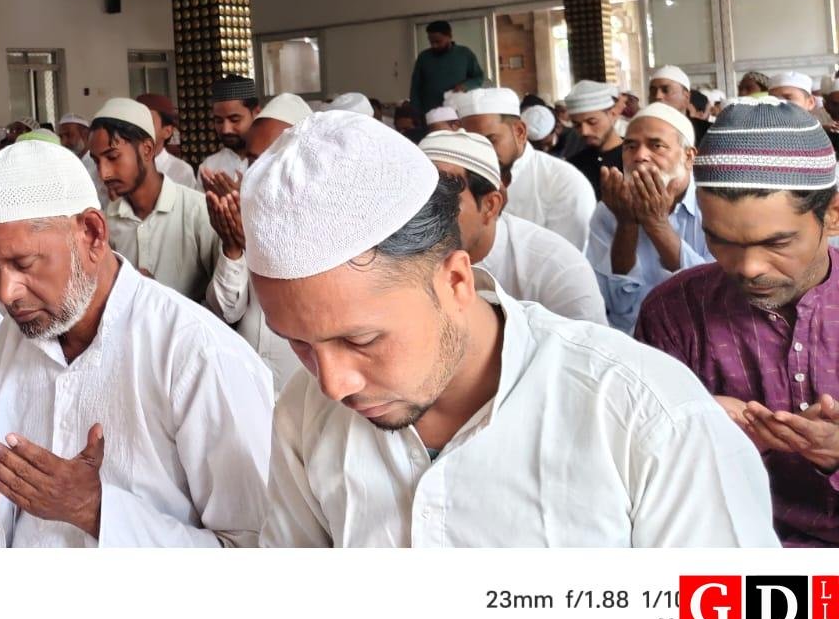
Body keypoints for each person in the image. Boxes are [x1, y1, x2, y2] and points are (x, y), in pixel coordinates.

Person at [243, 111, 777, 547]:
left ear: (455, 281)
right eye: (299, 345)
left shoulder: (644, 416)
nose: (333, 384)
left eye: (360, 340)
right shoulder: (305, 413)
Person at [0, 139, 272, 547]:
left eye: (23, 264)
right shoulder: (5, 350)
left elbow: (254, 546)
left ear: (93, 234)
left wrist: (94, 511)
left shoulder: (197, 354)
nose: (6, 293)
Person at [634, 99, 839, 547]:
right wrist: (696, 437)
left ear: (832, 214)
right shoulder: (672, 312)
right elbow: (639, 478)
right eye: (720, 241)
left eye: (776, 243)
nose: (748, 267)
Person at [418, 131, 605, 325]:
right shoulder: (407, 258)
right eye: (420, 202)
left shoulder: (558, 270)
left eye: (443, 202)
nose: (424, 216)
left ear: (490, 206)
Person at [208, 91, 313, 394]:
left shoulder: (330, 225)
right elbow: (226, 311)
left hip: (304, 389)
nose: (259, 172)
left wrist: (260, 248)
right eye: (253, 160)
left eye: (274, 159)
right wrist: (233, 247)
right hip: (245, 384)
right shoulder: (243, 216)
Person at [91, 98, 237, 308]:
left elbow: (229, 308)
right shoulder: (107, 222)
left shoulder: (197, 211)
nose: (103, 173)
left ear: (147, 149)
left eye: (113, 157)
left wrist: (160, 299)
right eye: (97, 161)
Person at [585, 103, 710, 333]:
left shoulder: (712, 206)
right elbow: (614, 305)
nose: (640, 156)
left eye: (656, 146)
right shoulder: (610, 209)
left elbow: (711, 294)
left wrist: (657, 225)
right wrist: (626, 224)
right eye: (630, 146)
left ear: (689, 156)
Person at [456, 87, 594, 251]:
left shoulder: (562, 182)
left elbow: (564, 258)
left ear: (520, 132)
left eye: (490, 140)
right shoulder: (460, 181)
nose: (480, 152)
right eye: (471, 142)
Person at [409, 20, 485, 114]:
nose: (434, 45)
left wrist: (466, 85)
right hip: (431, 113)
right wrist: (415, 112)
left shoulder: (464, 54)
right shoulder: (424, 58)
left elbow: (479, 77)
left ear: (449, 36)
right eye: (431, 42)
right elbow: (415, 88)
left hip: (459, 112)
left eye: (438, 41)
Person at [565, 79, 626, 196]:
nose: (584, 131)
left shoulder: (633, 158)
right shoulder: (573, 166)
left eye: (592, 122)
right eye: (577, 125)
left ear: (612, 114)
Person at [200, 74, 258, 182]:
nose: (226, 130)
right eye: (219, 121)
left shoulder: (273, 161)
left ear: (256, 113)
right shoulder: (209, 167)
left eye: (234, 120)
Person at [136, 93, 199, 191]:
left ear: (167, 131)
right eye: (136, 122)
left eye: (147, 121)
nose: (140, 127)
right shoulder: (124, 166)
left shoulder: (181, 171)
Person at [649, 65, 711, 145]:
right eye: (653, 91)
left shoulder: (708, 132)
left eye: (666, 90)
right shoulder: (640, 130)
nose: (657, 96)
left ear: (686, 97)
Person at [57, 113, 108, 206]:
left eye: (68, 135)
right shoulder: (66, 164)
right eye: (61, 137)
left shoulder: (98, 163)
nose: (63, 142)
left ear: (85, 134)